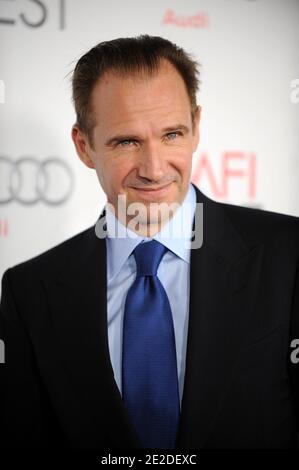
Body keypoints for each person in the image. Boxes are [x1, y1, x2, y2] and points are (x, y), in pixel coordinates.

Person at [0, 34, 299, 450]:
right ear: (84, 147)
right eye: (127, 142)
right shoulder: (30, 292)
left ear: (196, 128)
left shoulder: (290, 254)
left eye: (172, 134)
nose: (155, 169)